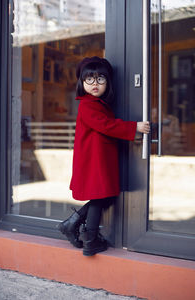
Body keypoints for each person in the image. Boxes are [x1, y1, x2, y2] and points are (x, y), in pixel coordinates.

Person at [58, 56, 150, 256]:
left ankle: (71, 224)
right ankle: (90, 239)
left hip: (100, 158)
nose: (95, 84)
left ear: (108, 83)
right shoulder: (87, 104)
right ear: (82, 83)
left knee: (104, 195)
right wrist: (134, 127)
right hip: (93, 160)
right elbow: (106, 125)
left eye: (100, 79)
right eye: (89, 80)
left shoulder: (98, 104)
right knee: (100, 197)